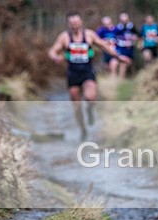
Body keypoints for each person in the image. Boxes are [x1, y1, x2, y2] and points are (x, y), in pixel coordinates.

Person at [48, 12, 131, 140]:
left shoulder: (89, 35)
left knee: (90, 97)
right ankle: (83, 130)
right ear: (68, 24)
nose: (75, 25)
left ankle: (90, 110)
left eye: (76, 23)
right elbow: (53, 51)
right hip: (73, 74)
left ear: (81, 22)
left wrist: (119, 57)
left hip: (87, 72)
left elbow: (105, 46)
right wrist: (55, 57)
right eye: (72, 23)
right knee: (76, 106)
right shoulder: (65, 37)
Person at [114, 12, 139, 78]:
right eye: (122, 19)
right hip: (122, 48)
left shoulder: (131, 26)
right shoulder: (118, 28)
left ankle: (132, 76)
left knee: (131, 62)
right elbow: (115, 38)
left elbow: (137, 35)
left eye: (125, 19)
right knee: (123, 63)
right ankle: (121, 77)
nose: (124, 21)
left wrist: (135, 38)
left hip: (130, 48)